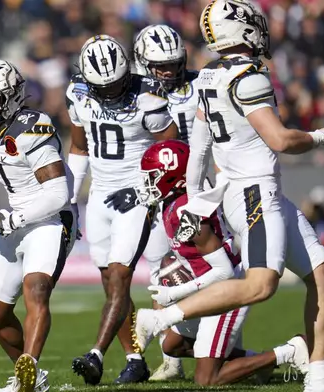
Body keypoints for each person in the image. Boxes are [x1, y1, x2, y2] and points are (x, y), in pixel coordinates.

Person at [133, 2, 324, 392]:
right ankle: (161, 319)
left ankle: (319, 379)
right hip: (254, 192)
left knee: (322, 273)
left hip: (245, 191)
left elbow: (197, 148)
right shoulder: (249, 78)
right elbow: (280, 139)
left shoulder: (210, 76)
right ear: (242, 29)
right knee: (260, 284)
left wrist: (196, 198)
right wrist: (320, 136)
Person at [111, 139, 310, 385]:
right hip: (210, 285)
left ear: (173, 177)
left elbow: (224, 271)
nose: (147, 183)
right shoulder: (173, 203)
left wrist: (176, 291)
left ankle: (288, 352)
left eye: (153, 176)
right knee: (174, 344)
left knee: (207, 378)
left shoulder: (188, 212)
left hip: (228, 291)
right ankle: (257, 363)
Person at [65, 34, 178, 385]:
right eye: (104, 86)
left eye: (115, 83)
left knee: (120, 276)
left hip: (137, 196)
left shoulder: (148, 97)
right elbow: (79, 147)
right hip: (99, 196)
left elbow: (175, 151)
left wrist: (147, 189)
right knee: (110, 282)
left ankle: (96, 353)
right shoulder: (78, 94)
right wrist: (69, 199)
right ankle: (135, 360)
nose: (112, 92)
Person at [0, 59, 77, 392]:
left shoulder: (31, 127)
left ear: (12, 97)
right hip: (14, 219)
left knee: (36, 289)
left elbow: (59, 194)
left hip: (50, 220)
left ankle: (29, 368)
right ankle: (31, 381)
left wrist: (12, 218)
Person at [132, 23, 200, 381]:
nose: (169, 71)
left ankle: (224, 348)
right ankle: (171, 358)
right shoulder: (136, 94)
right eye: (160, 66)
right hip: (164, 193)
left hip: (203, 189)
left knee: (215, 272)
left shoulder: (204, 84)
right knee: (159, 272)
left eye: (174, 63)